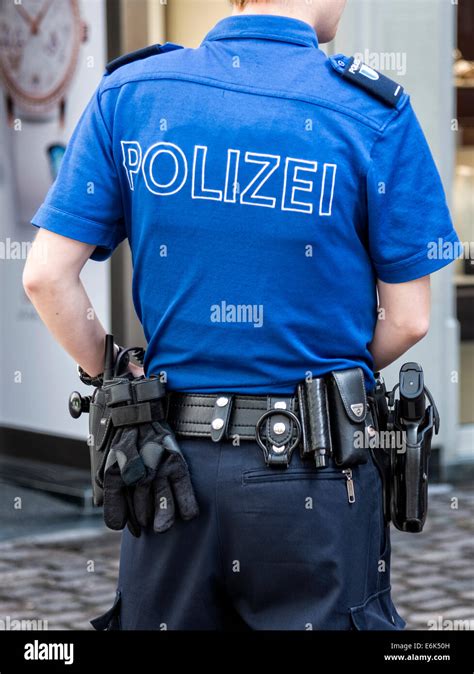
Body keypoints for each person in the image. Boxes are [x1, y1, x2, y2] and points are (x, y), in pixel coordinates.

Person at [23, 0, 459, 630]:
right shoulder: (373, 112)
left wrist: (117, 372)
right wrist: (321, 364)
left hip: (167, 468)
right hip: (315, 474)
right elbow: (410, 318)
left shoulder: (132, 93)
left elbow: (44, 276)